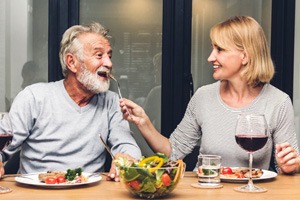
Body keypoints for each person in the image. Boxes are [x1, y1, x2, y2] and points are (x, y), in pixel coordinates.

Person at [120, 16, 300, 174]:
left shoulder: (278, 101)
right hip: (206, 189)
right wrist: (143, 122)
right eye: (212, 48)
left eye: (219, 49)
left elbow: (286, 167)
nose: (211, 57)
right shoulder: (203, 96)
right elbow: (173, 152)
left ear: (244, 56)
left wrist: (290, 166)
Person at [0, 22, 142, 181]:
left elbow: (127, 144)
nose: (109, 63)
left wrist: (127, 157)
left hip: (90, 192)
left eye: (109, 55)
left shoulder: (112, 101)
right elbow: (3, 142)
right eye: (99, 55)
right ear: (72, 62)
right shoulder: (34, 97)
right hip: (37, 192)